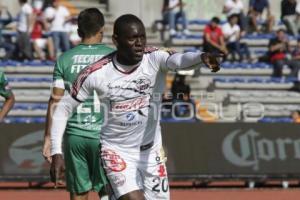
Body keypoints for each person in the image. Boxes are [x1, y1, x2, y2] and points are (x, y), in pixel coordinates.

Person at [49, 14, 220, 200]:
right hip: (116, 151)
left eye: (142, 37)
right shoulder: (96, 73)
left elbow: (179, 60)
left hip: (152, 152)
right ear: (116, 40)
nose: (139, 43)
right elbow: (63, 109)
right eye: (132, 38)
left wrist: (202, 57)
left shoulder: (154, 58)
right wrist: (56, 151)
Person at [42, 8, 114, 200]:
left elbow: (55, 101)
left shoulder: (64, 59)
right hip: (105, 136)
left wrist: (49, 137)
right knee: (109, 191)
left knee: (79, 194)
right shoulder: (113, 56)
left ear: (79, 30)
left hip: (75, 137)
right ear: (102, 30)